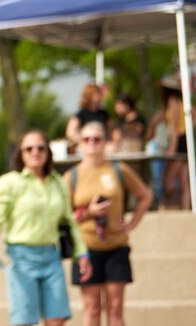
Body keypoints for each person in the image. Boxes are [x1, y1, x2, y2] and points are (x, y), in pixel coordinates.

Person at [0, 129, 92, 326]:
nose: (35, 152)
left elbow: (69, 221)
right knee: (24, 321)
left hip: (51, 256)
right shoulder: (10, 182)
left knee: (56, 319)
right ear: (20, 154)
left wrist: (82, 253)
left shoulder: (57, 182)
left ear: (48, 152)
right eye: (28, 148)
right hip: (21, 259)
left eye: (40, 148)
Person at [65, 121, 153, 326]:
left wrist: (131, 224)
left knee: (115, 310)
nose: (92, 143)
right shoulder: (71, 176)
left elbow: (145, 196)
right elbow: (64, 216)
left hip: (116, 246)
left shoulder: (118, 169)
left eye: (97, 139)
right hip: (85, 249)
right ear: (80, 143)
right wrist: (89, 212)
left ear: (105, 142)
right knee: (92, 309)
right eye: (87, 139)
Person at [160, 82, 196, 209]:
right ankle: (185, 208)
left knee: (168, 179)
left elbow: (175, 126)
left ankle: (167, 205)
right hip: (183, 140)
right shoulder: (183, 102)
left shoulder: (173, 101)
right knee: (184, 181)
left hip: (177, 142)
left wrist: (173, 146)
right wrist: (188, 129)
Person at [66, 84, 110, 153]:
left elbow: (112, 131)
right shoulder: (81, 114)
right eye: (96, 93)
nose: (99, 95)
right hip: (86, 151)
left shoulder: (104, 114)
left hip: (103, 150)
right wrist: (84, 141)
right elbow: (71, 133)